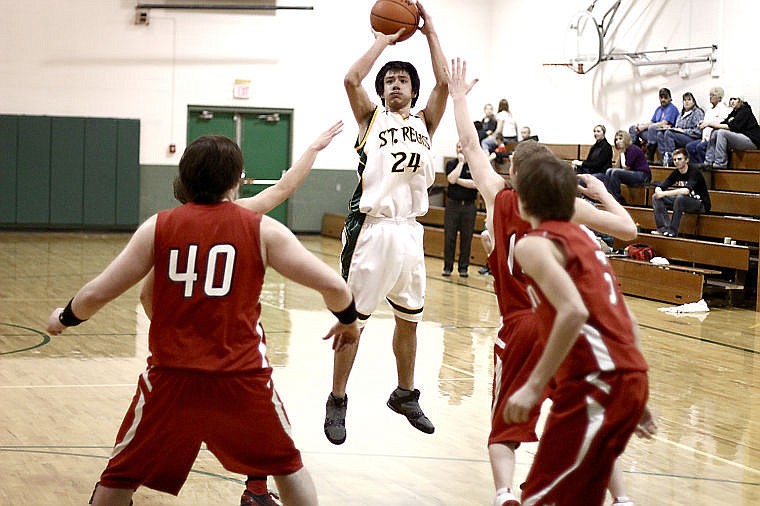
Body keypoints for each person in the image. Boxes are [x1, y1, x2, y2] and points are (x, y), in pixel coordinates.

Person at [46, 132, 360, 506]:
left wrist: (63, 318)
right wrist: (348, 321)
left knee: (120, 476)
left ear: (184, 177)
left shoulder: (158, 227)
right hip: (241, 376)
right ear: (237, 179)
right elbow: (335, 288)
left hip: (171, 375)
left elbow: (100, 292)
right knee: (288, 466)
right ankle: (259, 490)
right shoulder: (259, 227)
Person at [444, 57, 653, 506]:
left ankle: (504, 495)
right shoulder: (570, 213)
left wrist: (459, 98)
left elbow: (468, 143)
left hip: (523, 323)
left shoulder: (501, 199)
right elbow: (631, 233)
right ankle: (621, 498)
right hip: (580, 337)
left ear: (517, 175)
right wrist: (601, 193)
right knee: (586, 419)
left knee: (505, 423)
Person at [138, 123, 345, 506]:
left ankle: (120, 489)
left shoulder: (166, 229)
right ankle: (255, 490)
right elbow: (283, 189)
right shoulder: (240, 216)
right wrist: (314, 148)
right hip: (234, 350)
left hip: (181, 357)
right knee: (260, 422)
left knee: (146, 440)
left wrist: (180, 329)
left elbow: (146, 296)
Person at [324, 0, 448, 445]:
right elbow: (350, 79)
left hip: (412, 230)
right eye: (390, 81)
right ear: (383, 91)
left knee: (410, 319)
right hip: (372, 230)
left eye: (403, 80)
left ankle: (405, 392)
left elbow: (445, 84)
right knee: (352, 320)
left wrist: (430, 31)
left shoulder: (424, 122)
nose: (397, 84)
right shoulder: (370, 117)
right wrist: (383, 40)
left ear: (413, 90)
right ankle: (337, 398)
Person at [503, 150, 654, 506]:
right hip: (626, 377)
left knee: (542, 497)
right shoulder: (587, 241)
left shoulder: (534, 245)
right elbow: (626, 319)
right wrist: (632, 391)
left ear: (524, 200)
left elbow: (573, 311)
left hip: (595, 382)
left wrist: (533, 387)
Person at [651, 148, 711, 237]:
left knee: (680, 198)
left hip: (700, 204)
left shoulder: (694, 172)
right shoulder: (676, 172)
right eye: (675, 159)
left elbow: (686, 191)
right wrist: (658, 190)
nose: (676, 162)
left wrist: (663, 193)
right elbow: (662, 185)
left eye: (679, 159)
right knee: (655, 197)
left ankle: (673, 230)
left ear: (687, 160)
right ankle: (663, 229)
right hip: (683, 202)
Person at [443, 142, 478, 277]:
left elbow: (474, 184)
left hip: (469, 206)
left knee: (466, 238)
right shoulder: (451, 164)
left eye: (462, 147)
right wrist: (461, 164)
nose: (460, 149)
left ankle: (463, 268)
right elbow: (451, 179)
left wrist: (457, 180)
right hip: (453, 205)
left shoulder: (474, 166)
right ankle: (448, 267)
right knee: (449, 237)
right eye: (458, 147)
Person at [595, 130, 651, 204]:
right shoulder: (624, 151)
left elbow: (626, 167)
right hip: (634, 173)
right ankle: (610, 197)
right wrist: (620, 153)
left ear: (626, 139)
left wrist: (621, 154)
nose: (618, 141)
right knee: (609, 171)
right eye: (616, 139)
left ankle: (618, 200)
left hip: (643, 175)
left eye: (620, 139)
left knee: (615, 173)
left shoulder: (632, 149)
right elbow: (617, 167)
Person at [704, 95, 760, 169]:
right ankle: (708, 162)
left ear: (740, 100)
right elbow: (723, 123)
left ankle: (720, 163)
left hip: (752, 141)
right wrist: (707, 123)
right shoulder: (734, 112)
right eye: (731, 99)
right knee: (715, 131)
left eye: (735, 99)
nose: (732, 101)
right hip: (742, 138)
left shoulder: (745, 111)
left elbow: (732, 126)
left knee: (722, 132)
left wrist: (709, 124)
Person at [629, 87, 680, 162]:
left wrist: (645, 127)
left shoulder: (672, 108)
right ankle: (635, 153)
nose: (663, 99)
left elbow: (664, 123)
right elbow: (652, 122)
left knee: (652, 128)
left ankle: (649, 155)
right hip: (652, 135)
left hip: (662, 135)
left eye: (665, 97)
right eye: (661, 97)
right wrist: (641, 126)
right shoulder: (659, 109)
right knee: (633, 128)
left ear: (670, 98)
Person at [686, 87, 731, 165]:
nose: (710, 97)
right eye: (710, 95)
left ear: (719, 97)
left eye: (713, 95)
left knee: (700, 147)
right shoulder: (709, 110)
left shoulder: (723, 109)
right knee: (689, 146)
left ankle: (706, 167)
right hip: (705, 138)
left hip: (714, 139)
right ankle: (695, 167)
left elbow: (721, 123)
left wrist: (708, 124)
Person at [657, 92, 705, 164]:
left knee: (669, 134)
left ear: (694, 102)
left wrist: (683, 131)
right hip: (681, 136)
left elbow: (698, 132)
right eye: (685, 100)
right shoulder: (681, 114)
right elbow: (677, 127)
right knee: (660, 133)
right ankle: (665, 158)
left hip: (692, 137)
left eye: (689, 100)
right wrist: (670, 127)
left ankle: (671, 160)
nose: (686, 102)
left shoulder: (697, 112)